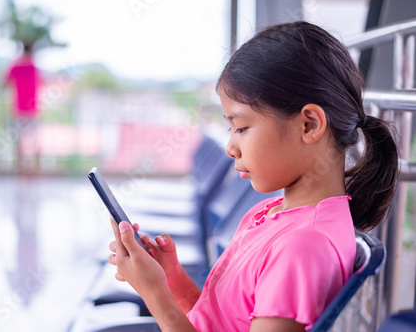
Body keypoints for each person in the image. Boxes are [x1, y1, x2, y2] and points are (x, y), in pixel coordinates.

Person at [108, 21, 399, 332]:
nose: (231, 147)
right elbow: (216, 321)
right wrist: (171, 279)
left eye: (242, 128)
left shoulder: (303, 247)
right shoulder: (269, 213)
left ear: (310, 125)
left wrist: (155, 296)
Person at [4, 43, 43, 173]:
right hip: (32, 109)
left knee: (19, 140)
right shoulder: (34, 67)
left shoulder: (16, 66)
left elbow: (6, 80)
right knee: (36, 139)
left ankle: (21, 169)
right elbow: (41, 82)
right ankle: (36, 169)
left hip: (19, 109)